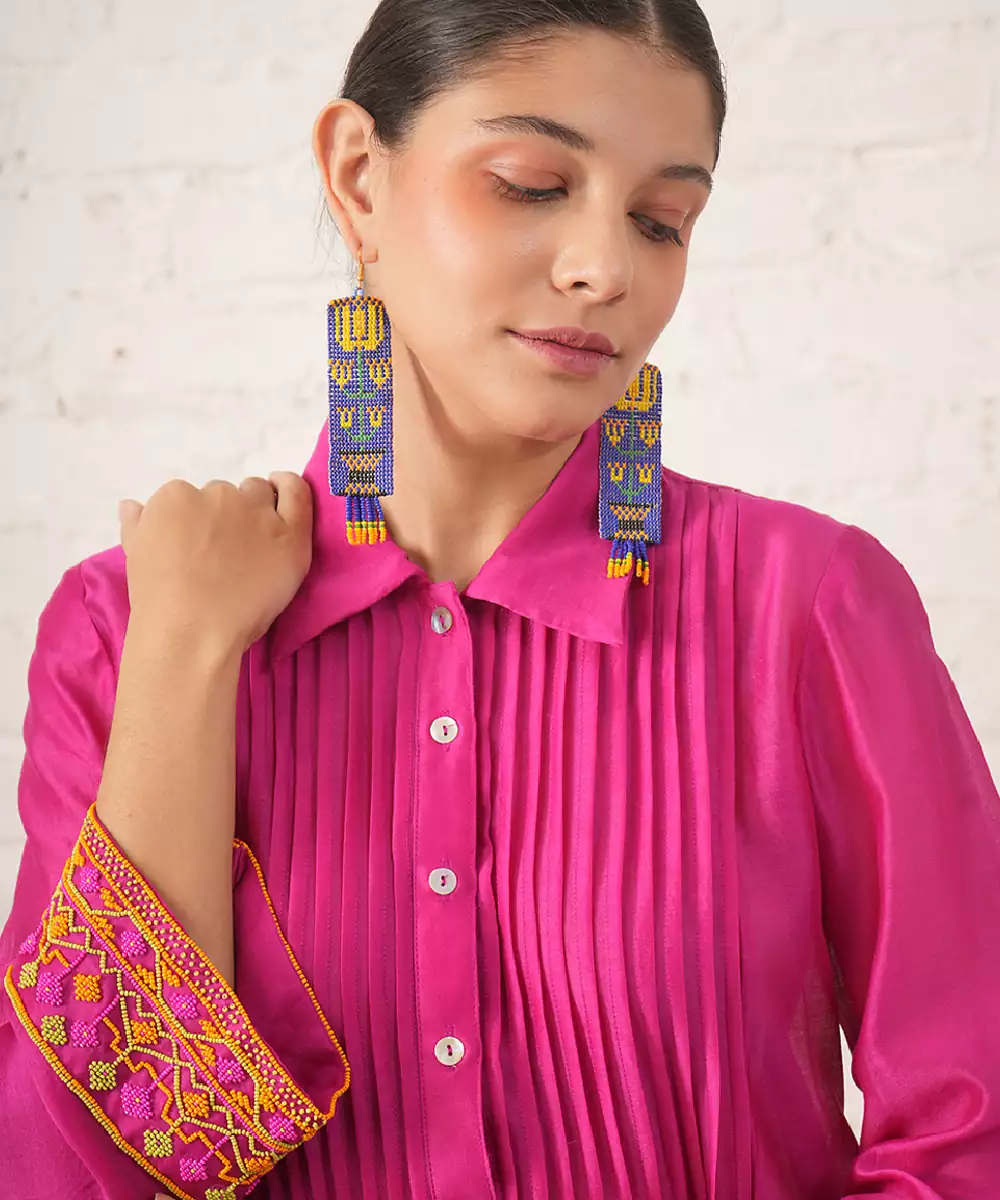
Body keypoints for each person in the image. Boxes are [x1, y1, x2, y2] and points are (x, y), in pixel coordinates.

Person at [2, 0, 1000, 1197]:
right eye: (531, 185)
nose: (604, 270)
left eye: (660, 220)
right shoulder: (123, 632)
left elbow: (969, 1134)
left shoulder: (811, 608)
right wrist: (184, 656)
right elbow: (64, 1175)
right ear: (359, 178)